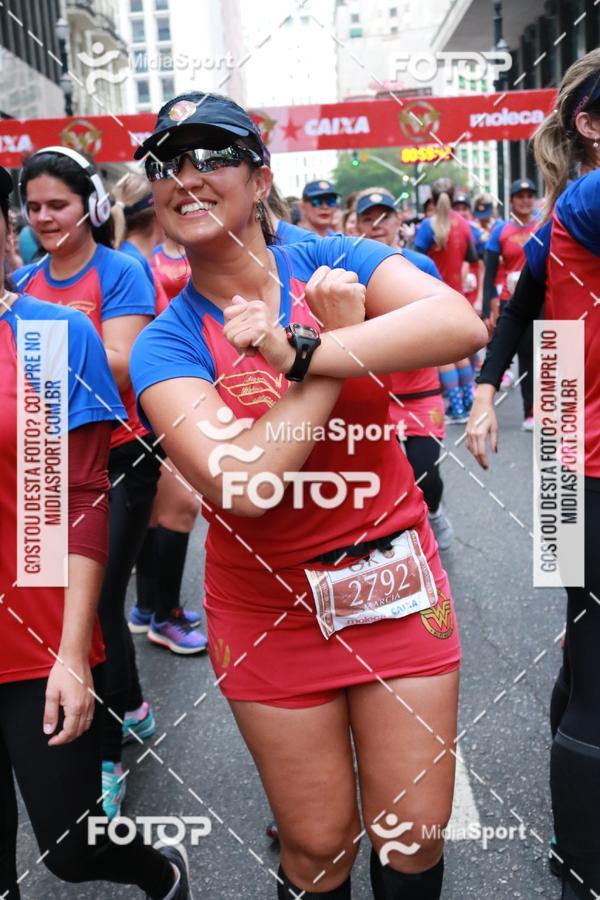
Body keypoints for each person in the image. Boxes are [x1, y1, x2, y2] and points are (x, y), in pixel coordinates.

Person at [130, 90, 487, 900]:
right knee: (319, 844)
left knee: (414, 834)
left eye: (212, 155)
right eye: (166, 163)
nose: (187, 176)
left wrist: (296, 351)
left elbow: (459, 324)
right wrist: (320, 355)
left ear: (260, 180)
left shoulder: (339, 261)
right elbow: (244, 482)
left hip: (395, 585)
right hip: (269, 612)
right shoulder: (167, 343)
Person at [0, 165, 191, 900]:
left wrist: (75, 654)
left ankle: (162, 872)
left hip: (35, 629)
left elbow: (79, 499)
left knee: (74, 849)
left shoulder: (50, 336)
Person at [466, 50, 600, 900]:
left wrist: (483, 395)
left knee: (585, 654)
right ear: (591, 124)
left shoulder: (558, 216)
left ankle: (570, 835)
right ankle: (583, 867)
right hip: (580, 468)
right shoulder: (587, 198)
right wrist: (484, 395)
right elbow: (515, 311)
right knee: (594, 673)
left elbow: (516, 311)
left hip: (566, 460)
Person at [13, 147, 159, 818]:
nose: (46, 218)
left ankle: (106, 753)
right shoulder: (27, 282)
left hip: (117, 456)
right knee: (52, 603)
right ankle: (126, 702)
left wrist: (57, 339)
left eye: (59, 205)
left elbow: (125, 366)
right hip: (42, 459)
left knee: (95, 603)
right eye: (35, 207)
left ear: (92, 209)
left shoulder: (119, 271)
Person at [112, 174, 205, 653]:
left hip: (145, 408)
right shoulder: (132, 262)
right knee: (181, 507)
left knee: (158, 512)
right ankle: (162, 616)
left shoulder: (132, 257)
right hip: (150, 408)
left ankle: (148, 607)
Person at [355, 187, 454, 551]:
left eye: (385, 216)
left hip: (420, 393)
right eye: (368, 218)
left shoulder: (420, 265)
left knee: (426, 474)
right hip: (372, 398)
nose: (377, 224)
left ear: (399, 221)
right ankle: (400, 541)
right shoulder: (343, 268)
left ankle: (435, 512)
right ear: (357, 224)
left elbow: (447, 320)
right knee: (379, 480)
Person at [414, 178, 479, 424]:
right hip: (458, 296)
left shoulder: (426, 226)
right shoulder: (463, 223)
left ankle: (457, 406)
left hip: (433, 296)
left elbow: (415, 260)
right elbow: (473, 256)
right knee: (459, 353)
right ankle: (465, 402)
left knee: (442, 355)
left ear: (431, 198)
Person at [482, 178, 539, 428]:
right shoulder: (500, 231)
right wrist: (487, 308)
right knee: (523, 353)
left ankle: (537, 410)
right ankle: (528, 411)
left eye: (530, 195)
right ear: (512, 200)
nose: (525, 200)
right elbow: (490, 272)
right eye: (520, 196)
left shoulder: (543, 225)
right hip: (511, 302)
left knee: (540, 354)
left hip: (542, 299)